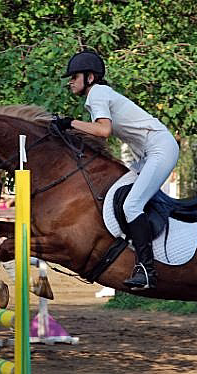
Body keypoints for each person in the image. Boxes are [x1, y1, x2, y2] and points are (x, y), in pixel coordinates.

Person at [55, 50, 179, 290]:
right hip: (147, 154)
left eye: (74, 76)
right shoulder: (99, 95)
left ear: (90, 77)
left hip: (160, 148)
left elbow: (103, 131)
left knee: (131, 205)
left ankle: (146, 270)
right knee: (116, 192)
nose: (70, 81)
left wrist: (69, 123)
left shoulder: (97, 93)